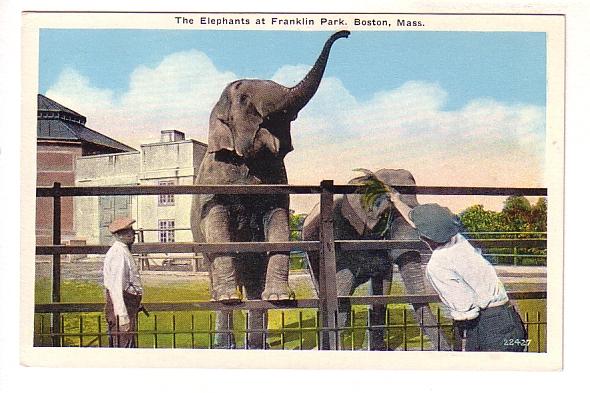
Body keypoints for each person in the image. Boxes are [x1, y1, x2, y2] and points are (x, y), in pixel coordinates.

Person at [388, 192, 527, 352]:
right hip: (510, 319)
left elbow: (466, 309)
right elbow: (421, 223)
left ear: (424, 237)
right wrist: (397, 200)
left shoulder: (437, 265)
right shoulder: (460, 240)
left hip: (488, 328)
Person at [103, 217, 143, 348]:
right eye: (129, 232)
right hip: (122, 305)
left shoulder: (123, 250)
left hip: (129, 304)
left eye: (131, 231)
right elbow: (116, 287)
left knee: (128, 343)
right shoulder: (118, 253)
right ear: (119, 235)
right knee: (123, 346)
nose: (133, 235)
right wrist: (122, 317)